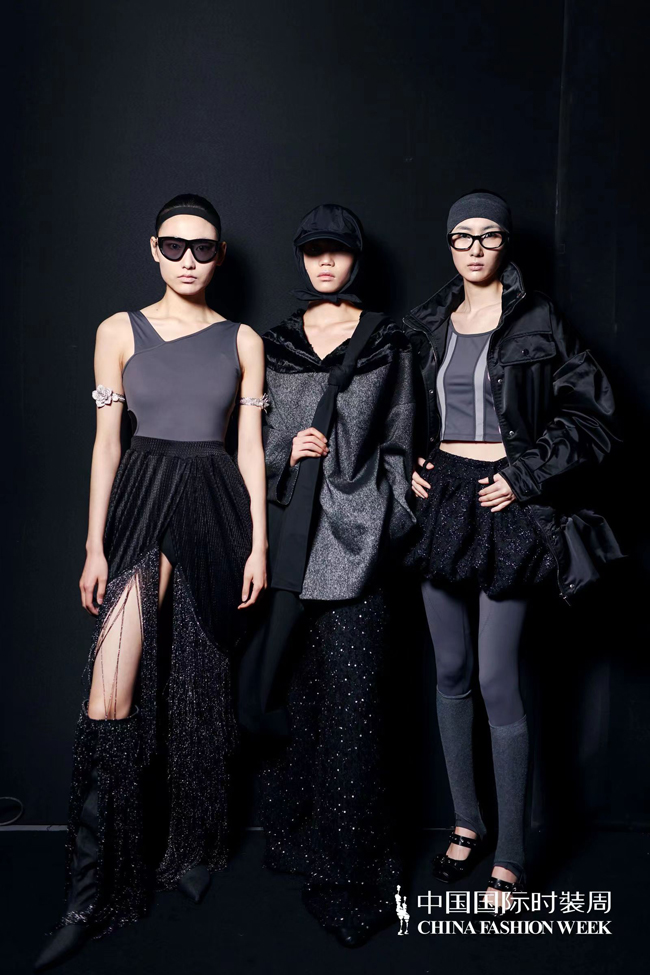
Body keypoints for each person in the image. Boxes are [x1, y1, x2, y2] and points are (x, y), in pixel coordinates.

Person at [35, 194, 267, 970]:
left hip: (215, 506)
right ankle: (91, 892)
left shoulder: (243, 339)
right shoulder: (118, 330)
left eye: (203, 248)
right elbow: (106, 443)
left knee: (201, 683)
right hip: (141, 497)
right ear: (153, 248)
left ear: (220, 256)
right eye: (174, 246)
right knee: (111, 696)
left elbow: (249, 448)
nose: (188, 260)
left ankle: (193, 846)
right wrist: (94, 543)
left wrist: (260, 545)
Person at [403, 190, 623, 910]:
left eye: (488, 235)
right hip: (443, 498)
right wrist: (407, 462)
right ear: (449, 244)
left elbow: (595, 415)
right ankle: (466, 822)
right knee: (450, 667)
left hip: (507, 497)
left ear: (504, 244)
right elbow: (396, 408)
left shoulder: (538, 319)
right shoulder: (426, 322)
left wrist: (524, 476)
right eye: (462, 235)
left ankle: (511, 853)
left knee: (498, 677)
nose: (474, 248)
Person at [255, 203, 417, 947]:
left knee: (357, 714)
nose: (325, 263)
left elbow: (402, 440)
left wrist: (382, 518)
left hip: (359, 549)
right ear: (301, 257)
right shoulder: (273, 345)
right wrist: (288, 453)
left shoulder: (388, 341)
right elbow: (249, 444)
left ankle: (352, 871)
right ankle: (295, 841)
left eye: (338, 251)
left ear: (356, 260)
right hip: (288, 549)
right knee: (299, 704)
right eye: (314, 250)